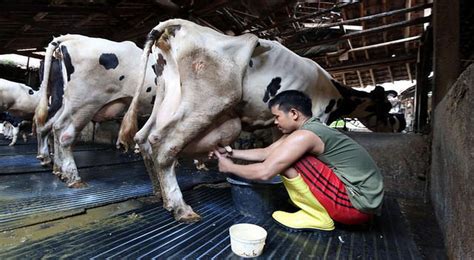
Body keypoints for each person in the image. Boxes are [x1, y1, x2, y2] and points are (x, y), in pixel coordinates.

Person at [211, 90, 383, 231]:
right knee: (282, 155)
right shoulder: (307, 129)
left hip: (356, 206)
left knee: (289, 160)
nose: (275, 122)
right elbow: (267, 152)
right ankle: (315, 210)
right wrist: (230, 153)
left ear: (293, 113)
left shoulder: (305, 136)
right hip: (359, 200)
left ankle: (317, 217)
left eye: (277, 116)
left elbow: (265, 171)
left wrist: (230, 167)